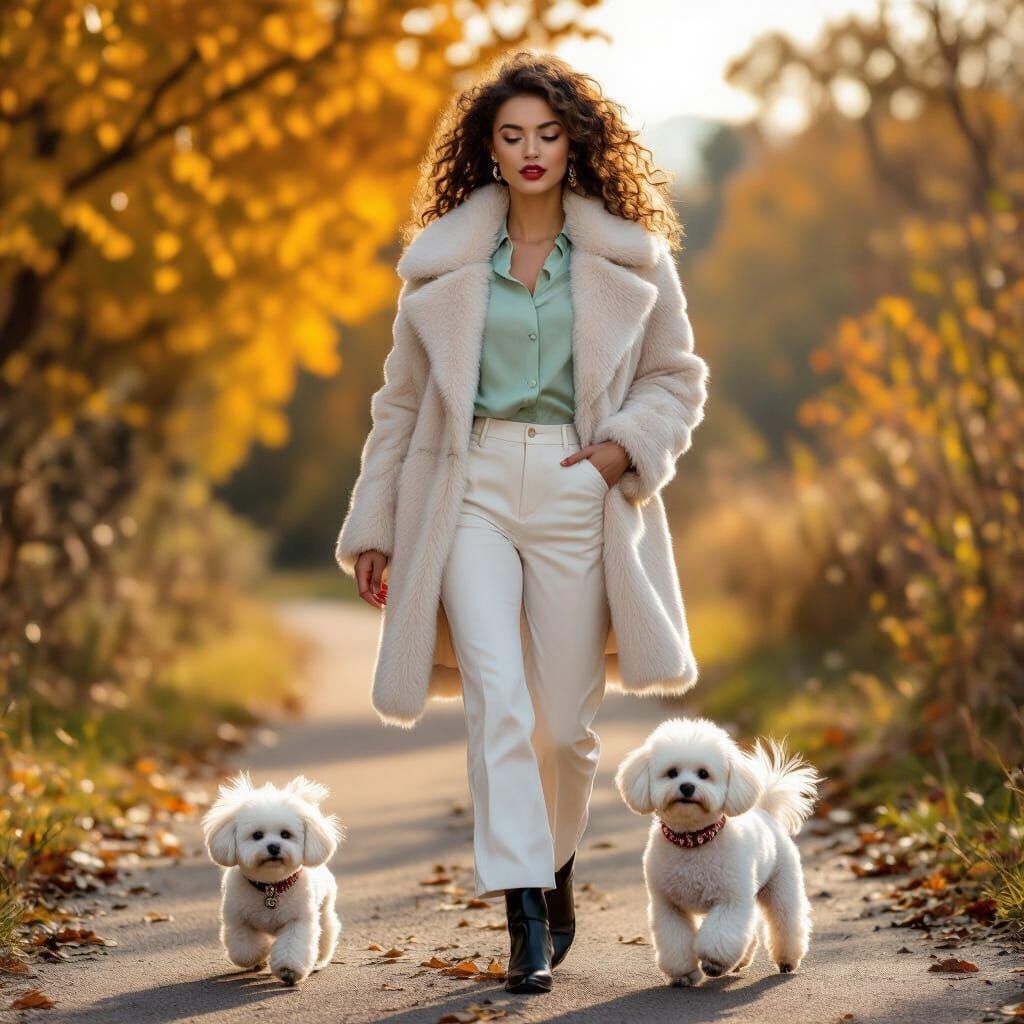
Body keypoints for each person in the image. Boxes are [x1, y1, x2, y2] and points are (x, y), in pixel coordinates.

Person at [335, 50, 710, 995]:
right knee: (497, 700)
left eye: (548, 132)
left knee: (562, 728)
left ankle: (555, 864)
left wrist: (624, 451)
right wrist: (374, 519)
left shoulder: (631, 256)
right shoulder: (443, 267)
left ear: (575, 141)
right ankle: (524, 914)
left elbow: (676, 377)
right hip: (468, 484)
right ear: (487, 150)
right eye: (511, 135)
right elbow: (399, 404)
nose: (532, 149)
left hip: (583, 485)